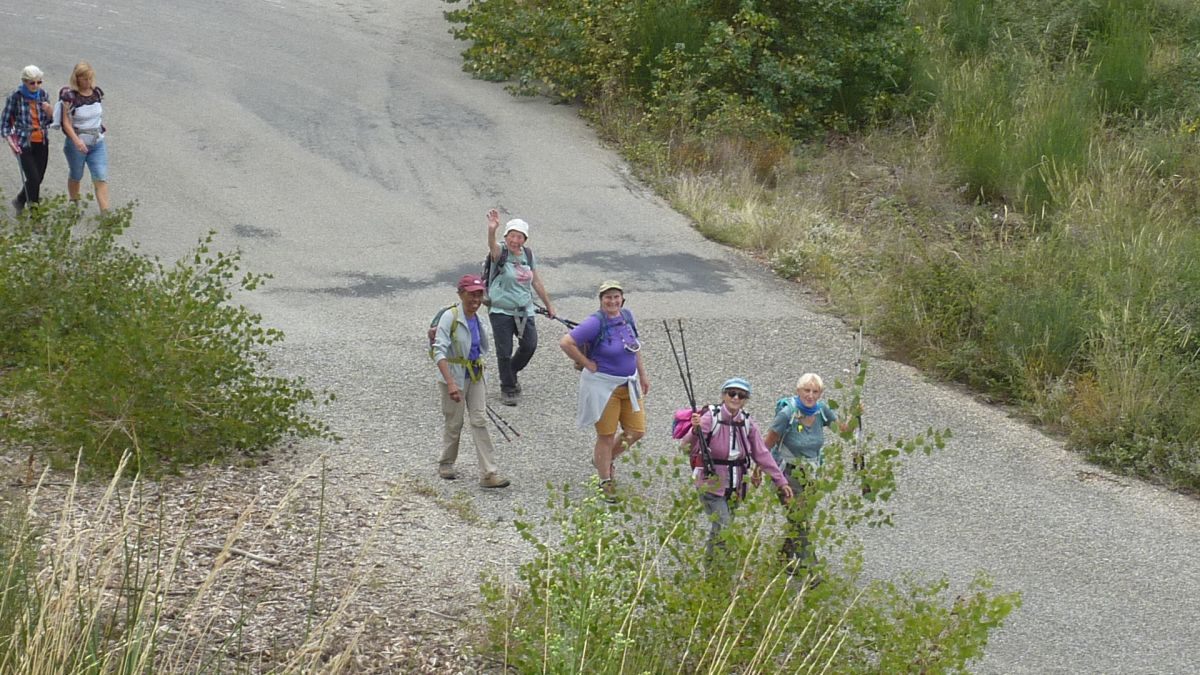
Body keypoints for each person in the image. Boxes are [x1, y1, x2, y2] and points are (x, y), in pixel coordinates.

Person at [682, 378, 793, 561]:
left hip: (737, 485)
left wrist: (780, 480)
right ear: (723, 395)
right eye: (731, 393)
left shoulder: (747, 422)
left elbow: (762, 454)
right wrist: (695, 430)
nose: (735, 398)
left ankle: (719, 570)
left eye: (741, 395)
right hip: (711, 483)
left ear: (745, 400)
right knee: (723, 526)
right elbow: (686, 446)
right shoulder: (710, 417)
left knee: (724, 528)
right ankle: (713, 571)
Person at [559, 280, 648, 501]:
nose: (612, 301)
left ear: (622, 299)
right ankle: (605, 479)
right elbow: (566, 342)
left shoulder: (627, 317)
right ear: (601, 301)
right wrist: (587, 363)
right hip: (603, 387)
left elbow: (635, 347)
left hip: (629, 383)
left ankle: (604, 460)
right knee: (606, 435)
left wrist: (643, 375)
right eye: (608, 297)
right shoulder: (594, 322)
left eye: (616, 296)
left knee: (636, 431)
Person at [762, 373, 854, 571]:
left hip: (811, 475)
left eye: (815, 391)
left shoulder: (822, 411)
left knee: (798, 518)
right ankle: (812, 569)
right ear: (798, 391)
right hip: (787, 475)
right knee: (799, 520)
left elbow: (843, 431)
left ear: (820, 393)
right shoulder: (787, 414)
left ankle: (783, 557)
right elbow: (766, 444)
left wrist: (856, 415)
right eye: (806, 390)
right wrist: (756, 471)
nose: (810, 395)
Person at [432, 274, 510, 488]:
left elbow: (478, 349)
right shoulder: (450, 317)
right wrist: (451, 383)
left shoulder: (478, 318)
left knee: (479, 420)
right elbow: (438, 351)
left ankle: (489, 473)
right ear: (461, 294)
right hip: (454, 376)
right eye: (471, 294)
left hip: (475, 375)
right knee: (454, 422)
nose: (475, 299)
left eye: (478, 295)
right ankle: (446, 462)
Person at [485, 208, 555, 406]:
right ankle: (508, 387)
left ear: (525, 239)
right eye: (512, 236)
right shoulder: (500, 251)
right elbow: (491, 246)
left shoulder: (528, 255)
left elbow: (536, 282)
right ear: (506, 236)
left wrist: (549, 305)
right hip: (500, 310)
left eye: (520, 237)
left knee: (529, 345)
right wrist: (492, 230)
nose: (515, 240)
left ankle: (511, 371)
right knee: (504, 350)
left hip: (524, 309)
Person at [2, 66, 53, 215]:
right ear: (24, 82)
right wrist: (10, 140)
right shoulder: (15, 97)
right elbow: (5, 122)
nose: (36, 86)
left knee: (38, 178)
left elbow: (50, 122)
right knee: (33, 177)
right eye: (32, 83)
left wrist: (50, 111)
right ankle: (35, 215)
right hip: (24, 142)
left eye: (39, 82)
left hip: (41, 141)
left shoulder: (43, 95)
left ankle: (19, 200)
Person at [59, 62, 109, 213]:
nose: (88, 82)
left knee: (100, 176)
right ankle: (74, 205)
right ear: (77, 79)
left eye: (89, 78)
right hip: (77, 144)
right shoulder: (70, 97)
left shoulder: (97, 93)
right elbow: (66, 122)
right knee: (76, 174)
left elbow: (97, 114)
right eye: (84, 79)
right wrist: (76, 140)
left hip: (97, 142)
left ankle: (105, 214)